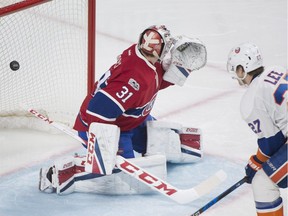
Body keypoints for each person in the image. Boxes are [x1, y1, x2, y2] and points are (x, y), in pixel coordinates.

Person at [39, 25, 207, 195]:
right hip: (107, 128)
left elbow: (154, 81)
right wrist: (105, 150)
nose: (170, 49)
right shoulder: (133, 80)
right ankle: (66, 173)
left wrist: (174, 69)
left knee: (168, 143)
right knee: (123, 176)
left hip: (131, 120)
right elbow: (98, 111)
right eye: (167, 45)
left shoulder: (143, 57)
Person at [227, 42, 287, 216]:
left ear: (241, 69)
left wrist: (255, 162)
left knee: (263, 182)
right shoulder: (277, 69)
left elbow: (272, 144)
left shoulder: (251, 99)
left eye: (235, 71)